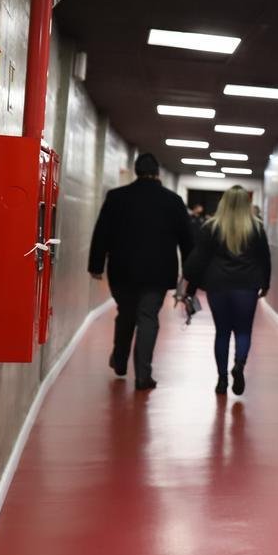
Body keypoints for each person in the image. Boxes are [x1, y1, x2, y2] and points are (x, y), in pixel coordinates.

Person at [88, 153, 193, 390]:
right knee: (147, 318)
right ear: (158, 173)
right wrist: (189, 271)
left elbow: (102, 232)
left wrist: (96, 265)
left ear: (136, 171)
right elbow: (187, 240)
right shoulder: (173, 201)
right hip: (157, 273)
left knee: (126, 313)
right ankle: (143, 375)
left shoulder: (116, 197)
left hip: (122, 270)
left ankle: (120, 360)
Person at [181, 186, 271, 396]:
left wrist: (191, 288)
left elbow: (199, 260)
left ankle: (222, 380)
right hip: (247, 286)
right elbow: (264, 259)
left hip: (217, 285)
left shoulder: (211, 227)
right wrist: (265, 284)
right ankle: (239, 365)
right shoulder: (256, 228)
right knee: (243, 331)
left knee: (222, 332)